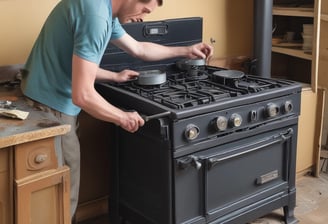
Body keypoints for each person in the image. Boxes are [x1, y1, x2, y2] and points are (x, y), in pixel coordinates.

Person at [20, 0, 213, 219]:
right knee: (64, 192)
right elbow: (82, 95)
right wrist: (122, 116)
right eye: (145, 10)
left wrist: (187, 50)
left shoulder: (102, 9)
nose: (143, 17)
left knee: (62, 188)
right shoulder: (96, 18)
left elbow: (139, 49)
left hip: (45, 96)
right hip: (52, 107)